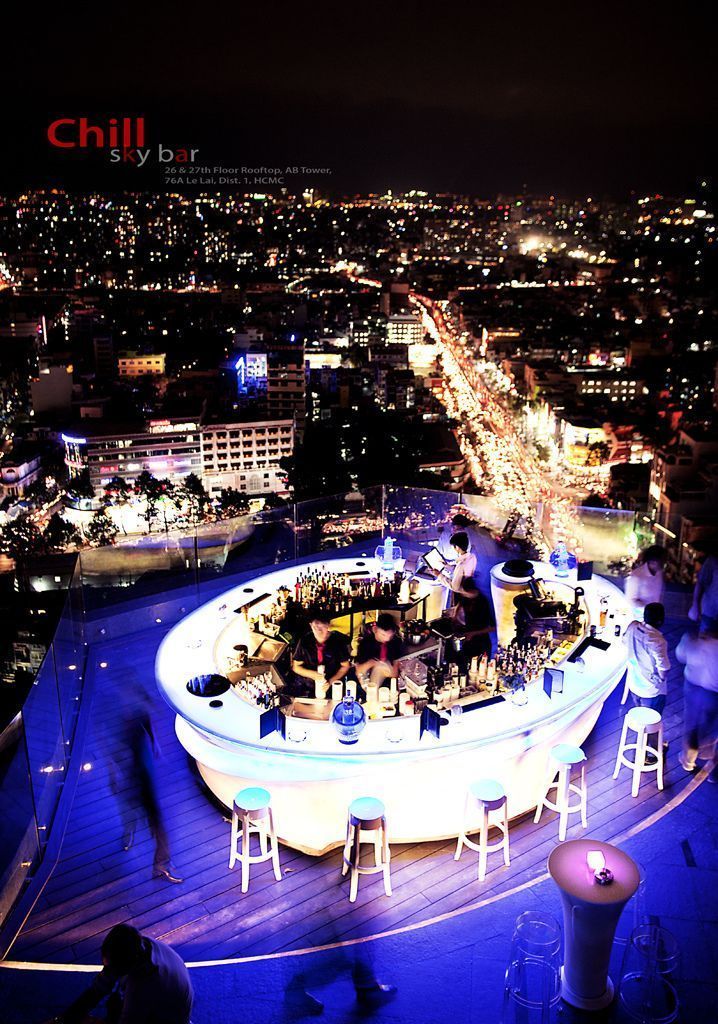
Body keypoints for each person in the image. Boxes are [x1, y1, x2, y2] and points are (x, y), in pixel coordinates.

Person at [107, 675, 182, 884]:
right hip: (135, 778)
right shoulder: (125, 721)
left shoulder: (134, 716)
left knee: (150, 820)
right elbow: (114, 754)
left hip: (138, 777)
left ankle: (158, 862)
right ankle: (158, 863)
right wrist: (115, 775)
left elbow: (146, 723)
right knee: (148, 819)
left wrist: (156, 745)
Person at [53, 924, 193, 1024]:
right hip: (169, 1006)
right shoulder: (140, 945)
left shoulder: (142, 985)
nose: (107, 971)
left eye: (112, 969)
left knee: (114, 1005)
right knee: (115, 1001)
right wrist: (67, 1017)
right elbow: (100, 986)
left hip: (165, 1018)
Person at [675, 626, 718, 781]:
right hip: (713, 693)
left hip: (692, 687)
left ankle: (688, 761)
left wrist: (689, 639)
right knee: (710, 727)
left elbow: (680, 655)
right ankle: (713, 771)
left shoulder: (695, 641)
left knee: (691, 725)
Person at [291, 607, 351, 698]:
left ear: (328, 626)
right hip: (309, 684)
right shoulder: (305, 641)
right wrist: (312, 674)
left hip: (332, 683)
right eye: (316, 627)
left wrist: (330, 681)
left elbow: (345, 666)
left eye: (322, 627)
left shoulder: (338, 641)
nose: (319, 631)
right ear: (311, 625)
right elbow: (296, 667)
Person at [622, 602, 671, 714]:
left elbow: (624, 641)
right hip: (650, 690)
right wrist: (661, 679)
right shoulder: (658, 641)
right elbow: (664, 668)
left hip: (633, 684)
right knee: (651, 722)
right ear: (661, 621)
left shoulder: (633, 626)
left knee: (640, 711)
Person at [355, 613, 406, 687]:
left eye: (390, 636)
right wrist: (373, 662)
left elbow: (395, 670)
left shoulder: (395, 642)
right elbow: (359, 670)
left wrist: (392, 666)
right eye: (383, 635)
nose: (387, 639)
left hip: (390, 679)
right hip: (368, 679)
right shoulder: (365, 644)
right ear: (375, 629)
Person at [453, 576, 495, 663]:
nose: (462, 594)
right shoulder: (464, 598)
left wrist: (473, 633)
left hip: (481, 643)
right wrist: (455, 616)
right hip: (468, 642)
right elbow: (459, 607)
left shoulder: (483, 603)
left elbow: (493, 627)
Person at [430, 531, 477, 600]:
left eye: (453, 546)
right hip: (470, 587)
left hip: (463, 594)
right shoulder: (472, 556)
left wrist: (439, 575)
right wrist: (447, 566)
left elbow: (454, 587)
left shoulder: (461, 565)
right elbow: (463, 571)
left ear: (457, 547)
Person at [625, 545, 666, 621]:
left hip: (655, 618)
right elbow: (631, 600)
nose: (664, 564)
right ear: (653, 561)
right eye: (662, 561)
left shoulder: (659, 573)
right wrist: (649, 610)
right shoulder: (636, 576)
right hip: (639, 619)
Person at [688, 552, 718, 633]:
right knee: (704, 641)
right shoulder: (713, 560)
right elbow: (700, 583)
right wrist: (695, 606)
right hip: (710, 614)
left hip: (710, 613)